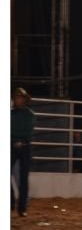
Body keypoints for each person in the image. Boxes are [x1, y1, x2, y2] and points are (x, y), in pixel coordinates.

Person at [11, 88, 36, 217]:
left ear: (25, 100)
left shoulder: (29, 114)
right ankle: (11, 202)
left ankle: (22, 207)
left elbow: (28, 132)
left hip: (24, 146)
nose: (17, 100)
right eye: (16, 98)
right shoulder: (11, 114)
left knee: (23, 178)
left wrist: (16, 139)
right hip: (13, 145)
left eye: (20, 97)